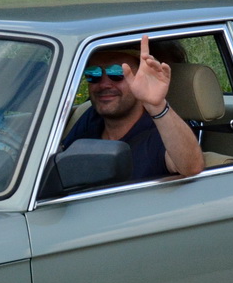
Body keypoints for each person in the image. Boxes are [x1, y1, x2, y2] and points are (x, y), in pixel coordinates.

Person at [58, 35, 204, 180]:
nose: (103, 84)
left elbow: (191, 167)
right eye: (93, 74)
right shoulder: (91, 117)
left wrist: (157, 106)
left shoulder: (159, 134)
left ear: (141, 77)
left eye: (116, 73)